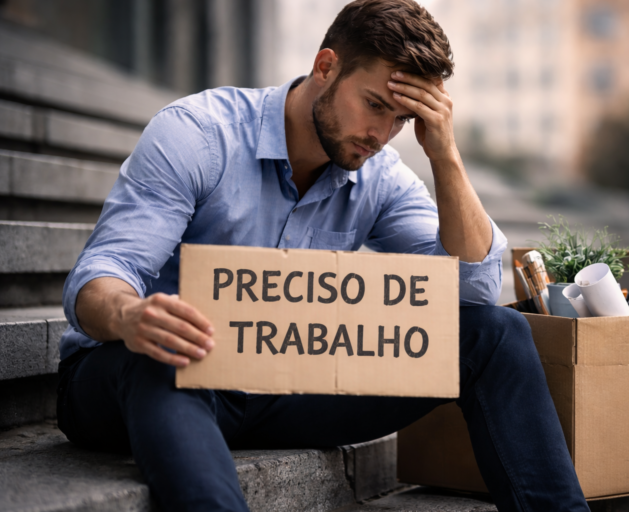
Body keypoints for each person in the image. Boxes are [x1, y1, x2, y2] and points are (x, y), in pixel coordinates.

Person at [57, 1, 589, 510]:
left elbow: (470, 291)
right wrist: (132, 316)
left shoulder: (378, 174)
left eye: (401, 119)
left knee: (497, 335)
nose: (382, 134)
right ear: (326, 67)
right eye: (375, 105)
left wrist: (444, 154)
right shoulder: (201, 134)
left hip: (280, 383)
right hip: (146, 377)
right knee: (163, 358)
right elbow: (102, 274)